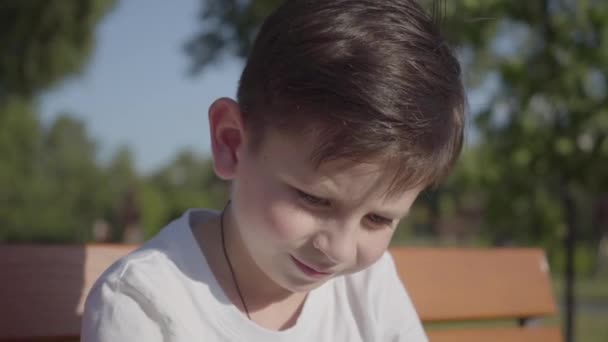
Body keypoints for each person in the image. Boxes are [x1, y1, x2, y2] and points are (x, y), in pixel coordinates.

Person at [81, 0, 465, 340]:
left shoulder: (368, 286)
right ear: (232, 142)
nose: (340, 250)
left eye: (378, 219)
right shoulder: (145, 302)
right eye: (314, 199)